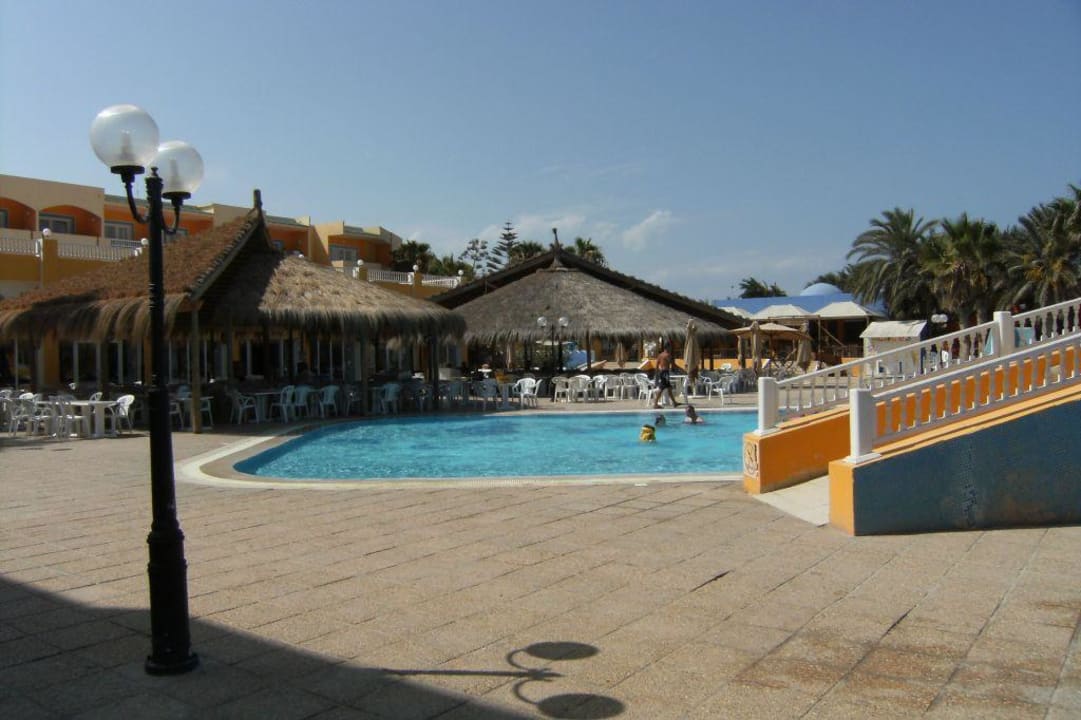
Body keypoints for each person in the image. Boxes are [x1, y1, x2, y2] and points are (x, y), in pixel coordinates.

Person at [652, 343, 680, 409]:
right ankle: (655, 404)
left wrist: (656, 374)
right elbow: (672, 364)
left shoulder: (660, 355)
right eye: (670, 347)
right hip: (665, 373)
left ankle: (674, 402)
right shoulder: (668, 355)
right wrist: (680, 369)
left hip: (662, 372)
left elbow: (657, 365)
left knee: (669, 388)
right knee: (662, 388)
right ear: (667, 347)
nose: (670, 349)